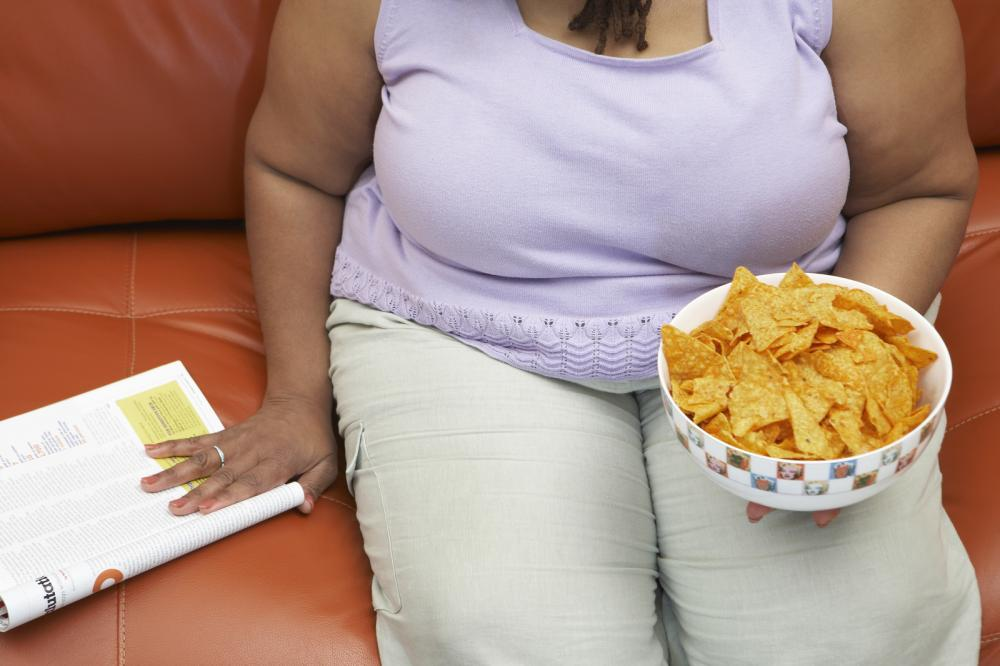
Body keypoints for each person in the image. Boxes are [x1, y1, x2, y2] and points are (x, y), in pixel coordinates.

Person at [139, 1, 981, 663]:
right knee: (514, 642)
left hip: (773, 338)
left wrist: (835, 389)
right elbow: (293, 166)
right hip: (460, 331)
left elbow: (919, 186)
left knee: (850, 645)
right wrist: (295, 394)